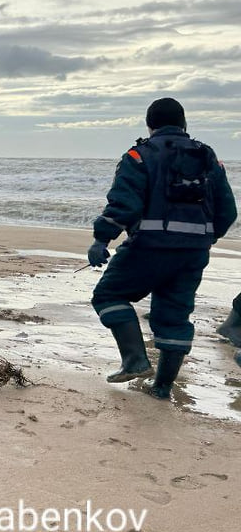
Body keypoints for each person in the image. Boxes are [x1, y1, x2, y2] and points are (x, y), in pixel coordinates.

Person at [88, 97, 236, 398]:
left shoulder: (139, 156)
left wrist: (101, 239)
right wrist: (203, 239)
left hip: (149, 248)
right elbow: (228, 211)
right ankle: (162, 389)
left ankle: (135, 360)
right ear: (184, 124)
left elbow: (124, 205)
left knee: (108, 294)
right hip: (193, 253)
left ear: (150, 125)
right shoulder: (208, 158)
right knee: (174, 316)